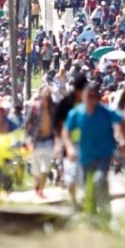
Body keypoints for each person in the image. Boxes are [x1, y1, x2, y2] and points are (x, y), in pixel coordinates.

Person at [63, 82, 125, 219]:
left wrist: (123, 139)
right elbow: (66, 132)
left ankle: (105, 211)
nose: (92, 99)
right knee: (89, 185)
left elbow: (122, 120)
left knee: (100, 179)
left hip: (104, 153)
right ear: (84, 97)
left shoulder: (105, 111)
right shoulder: (76, 113)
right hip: (85, 155)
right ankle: (91, 214)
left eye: (95, 96)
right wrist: (69, 148)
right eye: (89, 96)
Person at [54, 73, 87, 204]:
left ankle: (84, 201)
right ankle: (74, 201)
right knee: (71, 175)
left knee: (84, 174)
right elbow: (58, 123)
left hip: (87, 142)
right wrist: (58, 142)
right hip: (69, 143)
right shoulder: (66, 103)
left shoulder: (89, 101)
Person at [25, 86, 56, 199]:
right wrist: (26, 139)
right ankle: (37, 187)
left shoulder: (53, 108)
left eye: (48, 94)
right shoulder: (35, 107)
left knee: (45, 168)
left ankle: (41, 190)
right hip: (35, 140)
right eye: (44, 94)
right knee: (35, 169)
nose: (46, 96)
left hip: (48, 140)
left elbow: (57, 124)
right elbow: (27, 123)